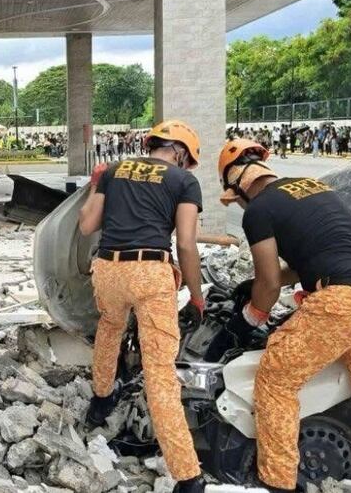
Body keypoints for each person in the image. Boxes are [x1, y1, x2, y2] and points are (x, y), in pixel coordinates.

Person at [207, 140, 351, 493]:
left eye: (236, 197)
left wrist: (248, 318)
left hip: (342, 304)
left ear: (239, 183)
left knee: (275, 378)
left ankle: (278, 483)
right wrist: (252, 283)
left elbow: (270, 286)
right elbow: (312, 256)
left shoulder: (259, 210)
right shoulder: (314, 188)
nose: (239, 205)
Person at [78, 120, 207, 493]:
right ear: (181, 152)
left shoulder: (114, 170)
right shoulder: (183, 181)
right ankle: (188, 475)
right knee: (160, 372)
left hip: (108, 269)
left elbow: (87, 226)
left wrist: (95, 185)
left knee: (109, 329)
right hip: (150, 271)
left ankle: (101, 401)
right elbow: (185, 244)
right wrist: (196, 296)